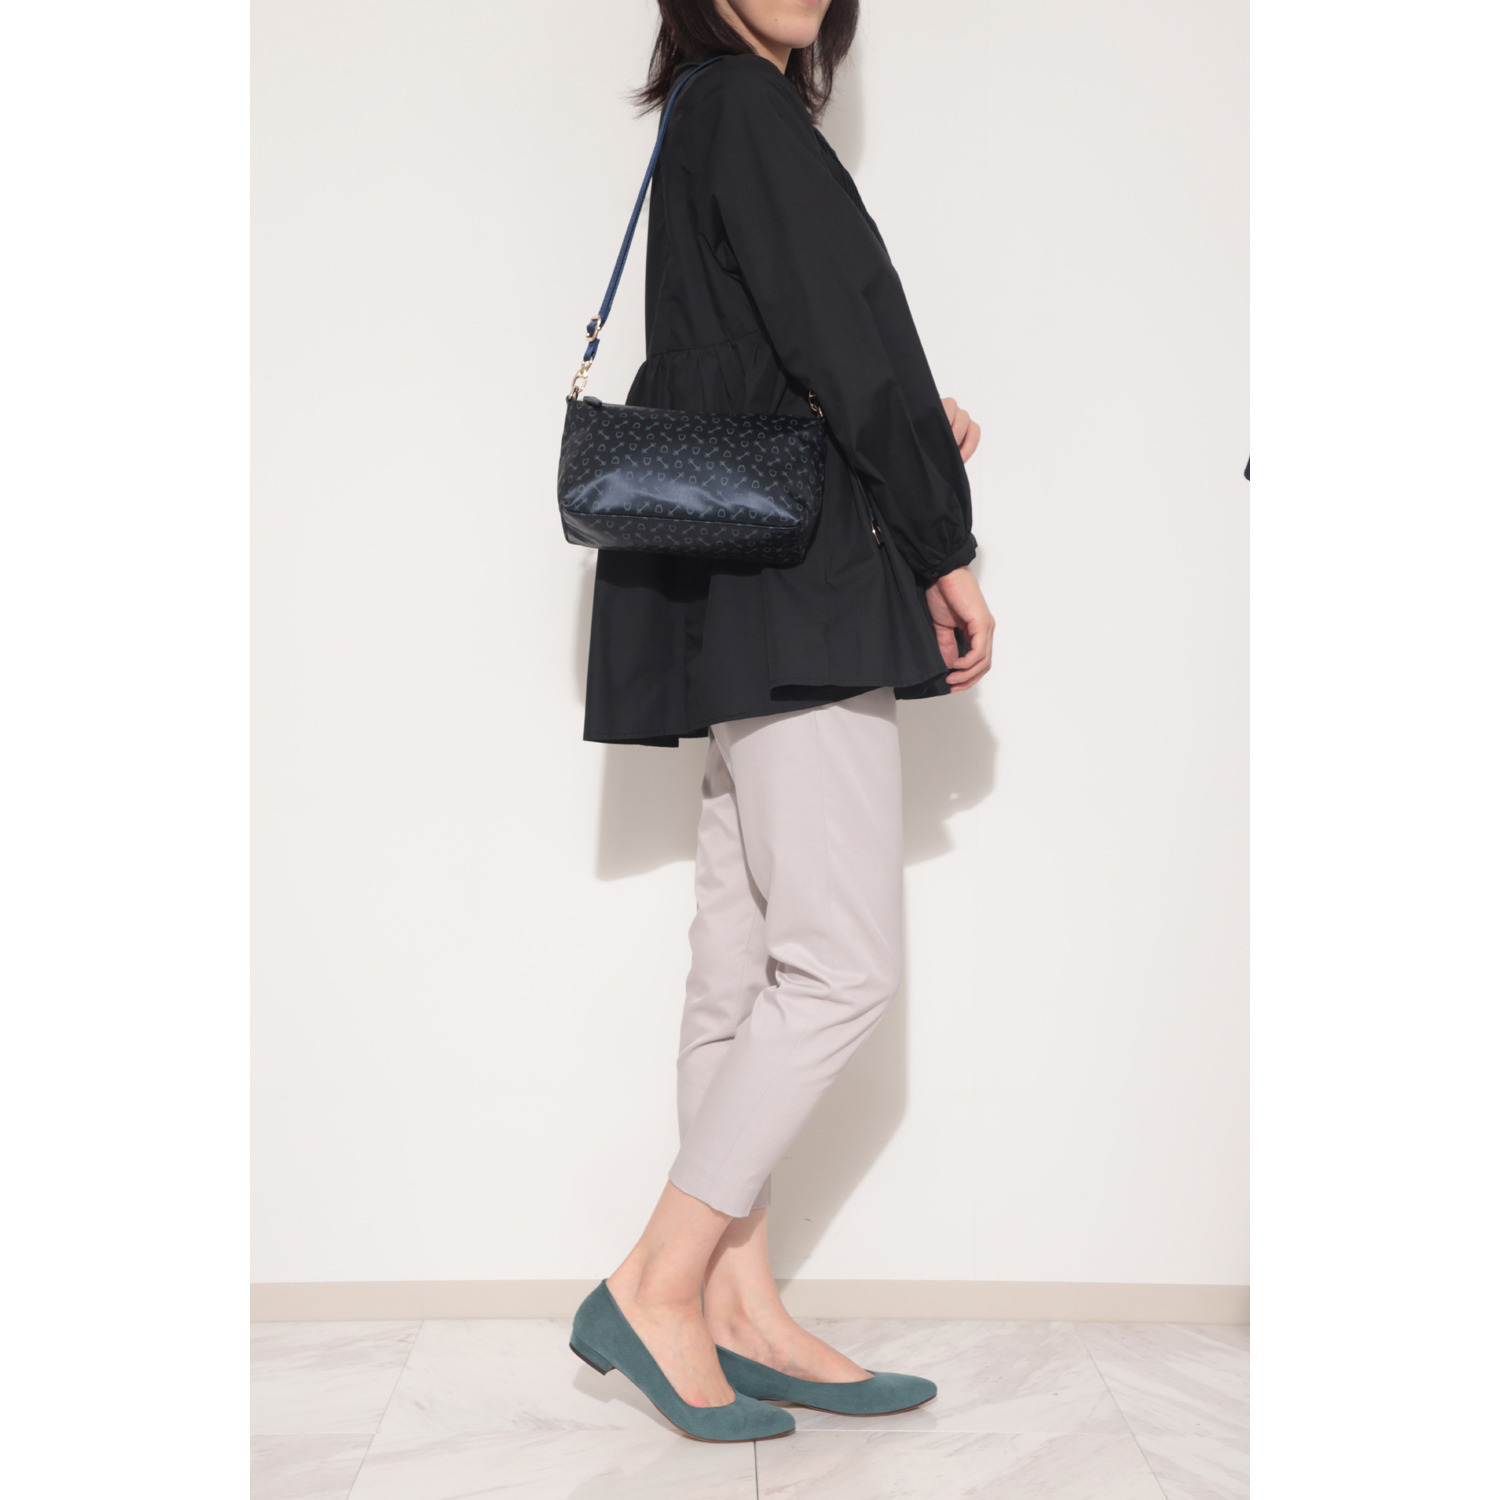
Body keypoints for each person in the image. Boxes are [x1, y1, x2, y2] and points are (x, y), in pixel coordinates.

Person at [568, 0, 993, 1442]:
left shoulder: (704, 113)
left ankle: (737, 1306)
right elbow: (845, 345)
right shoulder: (748, 110)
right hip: (799, 596)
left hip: (729, 592)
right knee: (843, 966)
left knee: (739, 966)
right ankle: (658, 1282)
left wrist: (901, 434)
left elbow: (763, 359)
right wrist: (939, 531)